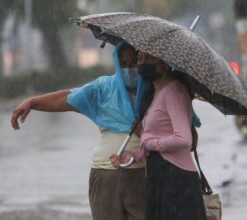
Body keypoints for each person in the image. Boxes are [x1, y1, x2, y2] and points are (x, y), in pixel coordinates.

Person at [12, 42, 148, 220]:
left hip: (142, 173)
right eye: (123, 63)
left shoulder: (154, 90)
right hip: (105, 174)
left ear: (142, 62)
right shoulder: (104, 88)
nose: (129, 68)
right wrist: (33, 102)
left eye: (134, 63)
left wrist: (145, 131)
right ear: (116, 62)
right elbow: (68, 98)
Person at [111, 52, 207, 220]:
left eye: (149, 59)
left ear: (165, 63)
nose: (142, 64)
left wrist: (151, 144)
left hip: (177, 178)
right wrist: (130, 156)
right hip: (159, 177)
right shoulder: (154, 94)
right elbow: (151, 140)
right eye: (140, 59)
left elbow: (184, 139)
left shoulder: (174, 90)